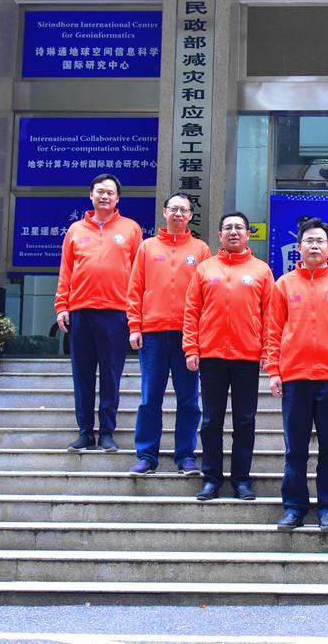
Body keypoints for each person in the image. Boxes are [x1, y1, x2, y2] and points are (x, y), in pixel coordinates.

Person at [265, 217, 328, 532]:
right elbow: (273, 330)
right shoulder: (284, 284)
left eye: (320, 241)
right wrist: (274, 370)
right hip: (294, 377)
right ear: (299, 246)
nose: (315, 246)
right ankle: (294, 508)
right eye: (309, 240)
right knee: (295, 449)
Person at [183, 211, 274, 501]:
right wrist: (191, 348)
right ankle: (212, 478)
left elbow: (270, 316)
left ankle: (241, 480)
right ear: (220, 235)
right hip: (211, 355)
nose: (234, 232)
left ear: (248, 234)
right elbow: (191, 311)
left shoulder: (261, 270)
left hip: (247, 356)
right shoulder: (205, 268)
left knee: (245, 421)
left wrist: (268, 352)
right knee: (211, 420)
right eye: (228, 228)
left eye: (239, 227)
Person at [55, 174, 143, 452]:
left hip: (116, 313)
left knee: (110, 375)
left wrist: (136, 315)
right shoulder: (75, 230)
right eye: (100, 191)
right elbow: (66, 270)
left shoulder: (131, 229)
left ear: (118, 199)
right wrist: (61, 306)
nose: (105, 196)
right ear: (91, 195)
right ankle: (85, 432)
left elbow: (139, 276)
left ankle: (107, 432)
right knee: (82, 376)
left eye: (110, 193)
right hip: (80, 311)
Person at [125, 192, 211, 477]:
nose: (178, 214)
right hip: (153, 333)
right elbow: (135, 289)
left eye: (183, 210)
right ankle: (146, 455)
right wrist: (134, 326)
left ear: (190, 216)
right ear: (164, 212)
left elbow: (208, 296)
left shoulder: (200, 250)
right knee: (150, 398)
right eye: (173, 209)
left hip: (188, 336)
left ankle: (185, 456)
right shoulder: (147, 247)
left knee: (189, 399)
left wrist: (201, 335)